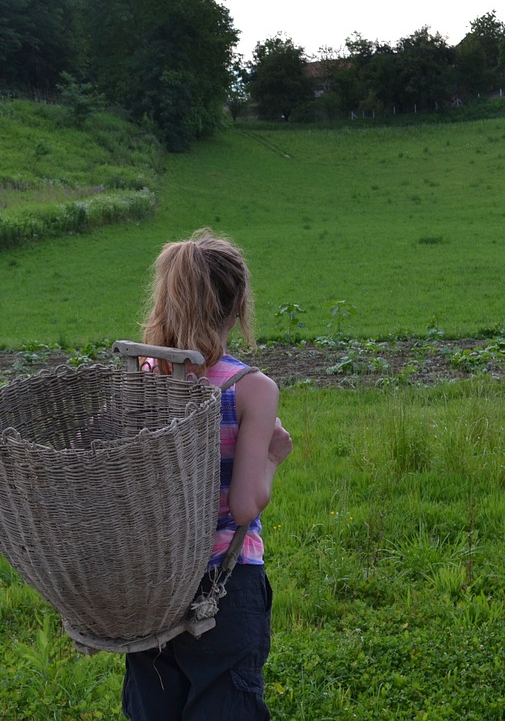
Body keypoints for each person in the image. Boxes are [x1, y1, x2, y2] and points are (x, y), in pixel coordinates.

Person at [123, 228, 293, 721]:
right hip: (223, 585)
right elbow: (244, 505)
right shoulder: (250, 388)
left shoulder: (143, 375)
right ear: (239, 303)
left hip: (152, 583)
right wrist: (272, 460)